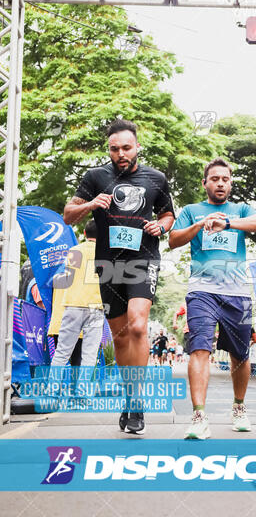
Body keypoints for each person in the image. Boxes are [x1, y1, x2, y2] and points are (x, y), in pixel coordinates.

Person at [63, 119, 175, 434]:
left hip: (143, 257)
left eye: (126, 147)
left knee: (138, 325)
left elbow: (167, 214)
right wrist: (90, 203)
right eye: (114, 149)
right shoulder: (95, 177)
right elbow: (67, 214)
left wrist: (162, 226)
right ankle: (128, 397)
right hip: (109, 262)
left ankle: (137, 402)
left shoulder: (156, 178)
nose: (121, 153)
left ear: (137, 146)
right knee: (121, 336)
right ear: (109, 150)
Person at [169, 157, 256, 439]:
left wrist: (228, 225)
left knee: (240, 353)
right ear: (205, 183)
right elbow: (173, 240)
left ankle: (239, 406)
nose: (220, 183)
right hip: (201, 291)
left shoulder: (239, 210)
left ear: (231, 183)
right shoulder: (192, 210)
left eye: (225, 179)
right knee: (199, 348)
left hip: (237, 292)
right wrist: (201, 224)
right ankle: (199, 416)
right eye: (215, 179)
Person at [50, 220, 104, 371]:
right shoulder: (105, 253)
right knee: (89, 355)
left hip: (72, 304)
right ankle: (82, 393)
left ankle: (52, 391)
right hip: (96, 306)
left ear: (85, 233)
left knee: (61, 352)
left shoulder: (74, 251)